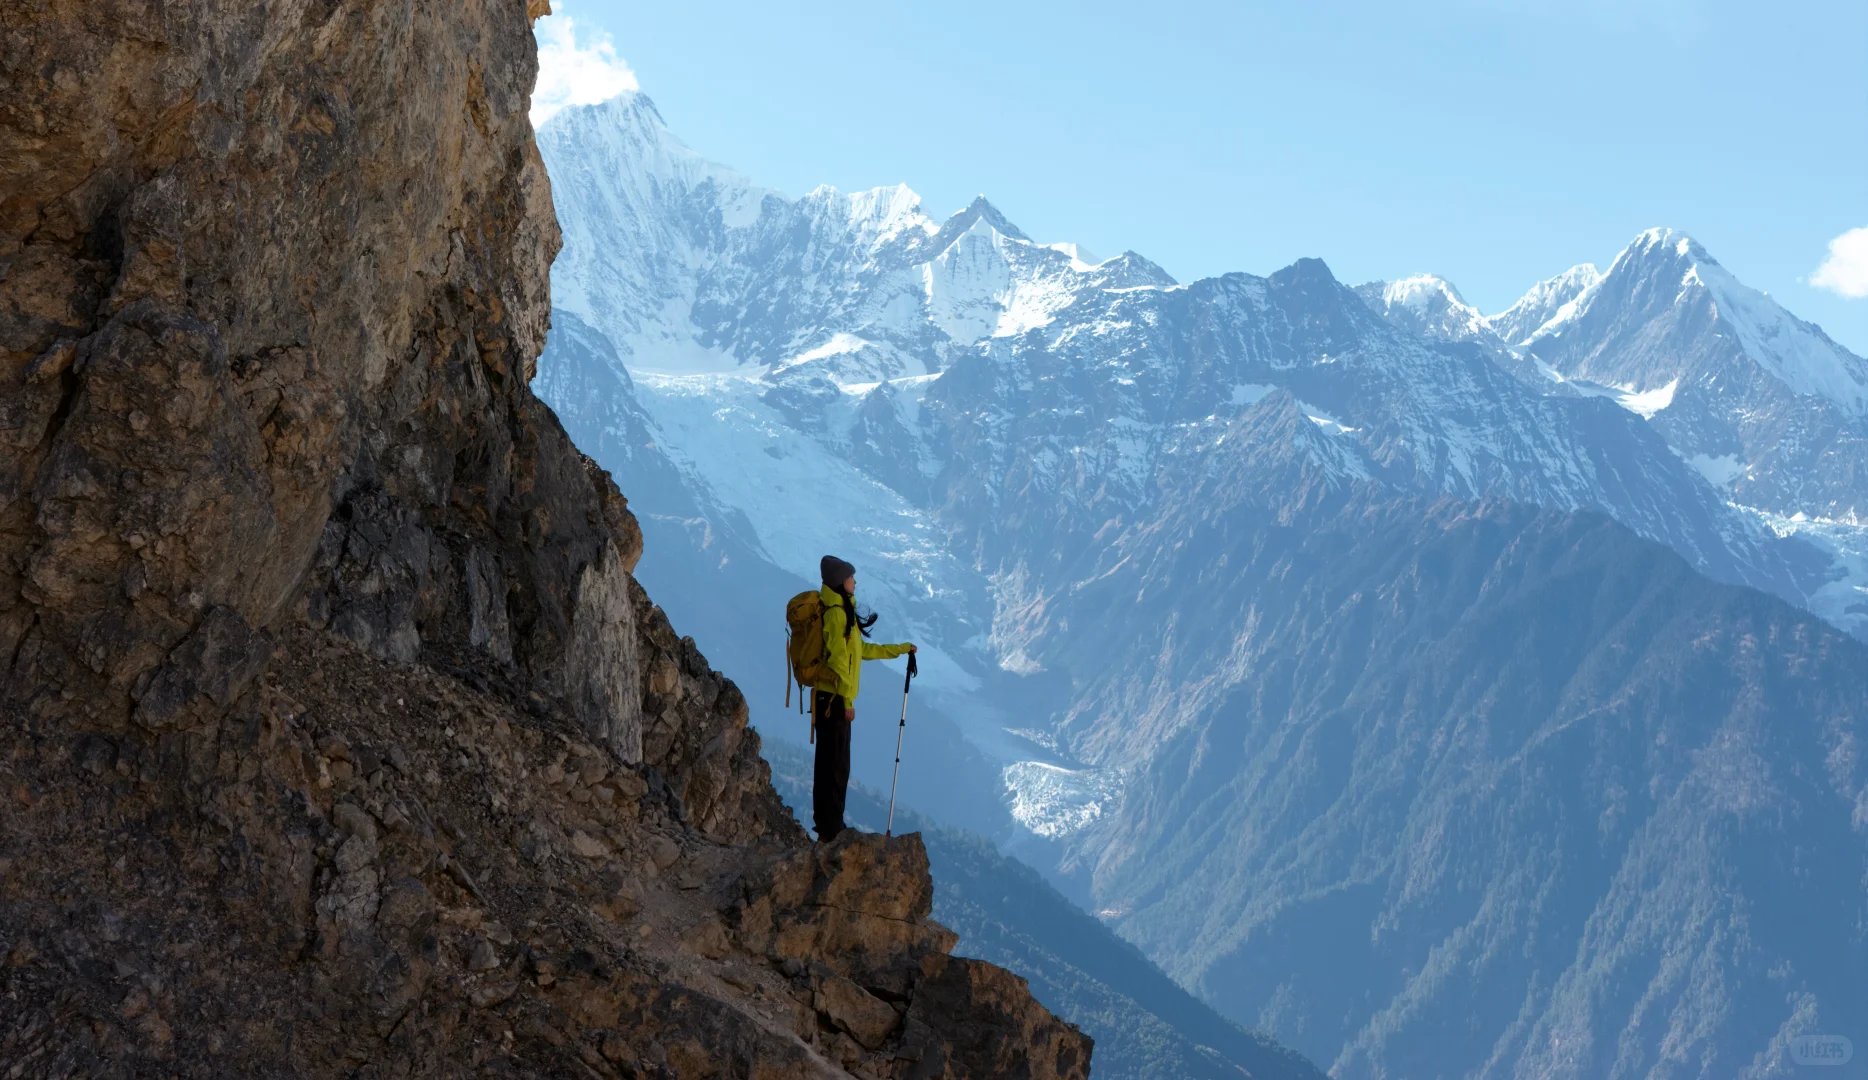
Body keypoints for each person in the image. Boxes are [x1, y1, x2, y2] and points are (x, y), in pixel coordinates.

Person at [812, 554, 915, 843]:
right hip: (832, 700)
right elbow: (837, 660)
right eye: (850, 577)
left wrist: (901, 649)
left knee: (834, 764)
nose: (854, 582)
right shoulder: (835, 613)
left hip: (833, 698)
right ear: (839, 581)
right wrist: (847, 701)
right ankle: (830, 829)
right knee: (834, 765)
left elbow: (861, 652)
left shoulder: (842, 611)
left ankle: (829, 826)